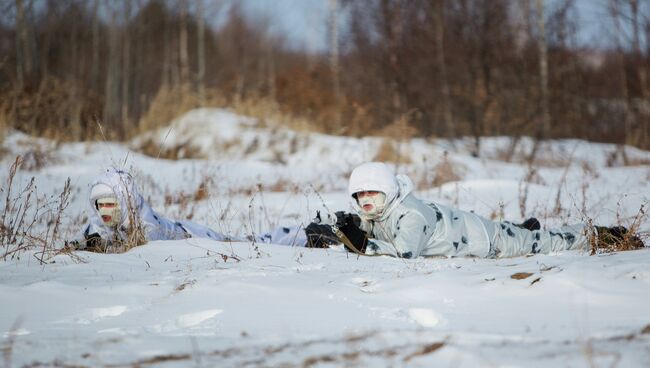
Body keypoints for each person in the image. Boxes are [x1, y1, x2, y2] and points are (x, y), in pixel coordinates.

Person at [322, 162, 645, 259]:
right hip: (468, 230)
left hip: (486, 241)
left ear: (389, 191)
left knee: (545, 243)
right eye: (360, 194)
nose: (366, 199)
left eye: (372, 192)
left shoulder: (411, 214)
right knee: (522, 233)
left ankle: (600, 233)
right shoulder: (377, 212)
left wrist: (361, 244)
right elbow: (370, 230)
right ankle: (521, 227)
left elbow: (406, 252)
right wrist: (342, 227)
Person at [70, 168, 309, 252]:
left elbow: (132, 249)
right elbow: (83, 240)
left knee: (250, 244)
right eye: (100, 206)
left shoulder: (146, 227)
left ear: (126, 203)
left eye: (111, 204)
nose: (105, 211)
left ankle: (304, 235)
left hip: (194, 237)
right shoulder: (98, 225)